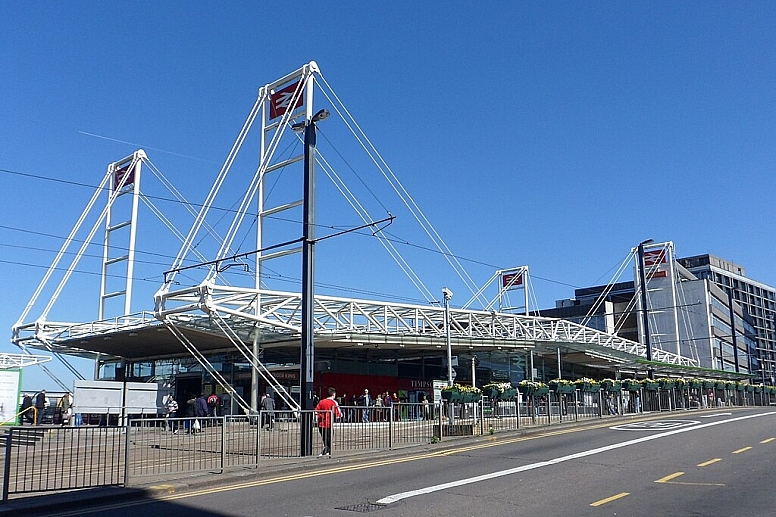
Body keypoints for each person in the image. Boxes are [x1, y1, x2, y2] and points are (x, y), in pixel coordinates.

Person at [314, 387, 342, 457]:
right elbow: (338, 414)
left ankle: (326, 452)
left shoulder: (321, 401)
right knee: (329, 440)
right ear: (333, 394)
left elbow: (316, 411)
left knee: (325, 440)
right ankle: (325, 452)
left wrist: (321, 416)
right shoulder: (333, 402)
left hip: (320, 424)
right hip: (329, 424)